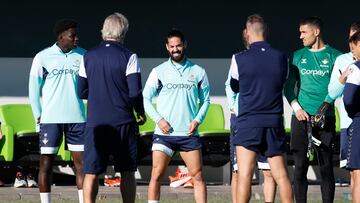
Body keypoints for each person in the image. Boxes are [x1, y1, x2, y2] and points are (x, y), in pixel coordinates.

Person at [78, 13, 146, 203]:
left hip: (95, 123)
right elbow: (134, 92)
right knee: (127, 171)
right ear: (123, 32)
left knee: (90, 172)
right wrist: (140, 112)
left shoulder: (87, 56)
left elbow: (81, 91)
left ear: (103, 31)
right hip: (122, 121)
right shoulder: (129, 56)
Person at [229, 14, 293, 203]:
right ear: (265, 31)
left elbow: (234, 86)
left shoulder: (238, 58)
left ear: (247, 32)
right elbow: (282, 82)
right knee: (281, 175)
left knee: (244, 175)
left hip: (249, 122)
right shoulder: (281, 57)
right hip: (273, 122)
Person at [143, 28, 210, 203]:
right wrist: (159, 120)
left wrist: (197, 120)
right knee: (156, 175)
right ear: (167, 47)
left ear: (185, 45)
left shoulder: (199, 71)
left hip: (188, 134)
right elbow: (145, 99)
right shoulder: (159, 71)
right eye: (172, 46)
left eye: (178, 45)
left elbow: (206, 101)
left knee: (198, 177)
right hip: (164, 134)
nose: (175, 49)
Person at [284, 16, 342, 203]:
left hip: (325, 119)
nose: (300, 36)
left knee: (326, 167)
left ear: (316, 32)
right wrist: (297, 108)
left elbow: (338, 87)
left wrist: (324, 108)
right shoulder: (297, 55)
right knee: (300, 166)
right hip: (300, 119)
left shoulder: (336, 56)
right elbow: (288, 86)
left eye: (304, 32)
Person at [29, 19, 86, 203]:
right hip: (50, 120)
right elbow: (33, 90)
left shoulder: (84, 56)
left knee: (82, 166)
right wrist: (38, 116)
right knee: (45, 165)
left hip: (78, 119)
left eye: (77, 34)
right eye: (73, 35)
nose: (76, 38)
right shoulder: (42, 57)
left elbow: (91, 88)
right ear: (61, 36)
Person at [225, 33, 277, 203]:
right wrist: (235, 108)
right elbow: (230, 86)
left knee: (269, 171)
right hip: (243, 121)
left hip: (264, 120)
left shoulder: (271, 59)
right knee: (239, 171)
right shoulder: (239, 60)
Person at [328, 21, 360, 188]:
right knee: (354, 174)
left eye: (354, 39)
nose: (351, 43)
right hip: (350, 126)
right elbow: (332, 93)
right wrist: (344, 76)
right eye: (349, 39)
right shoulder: (342, 60)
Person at [344, 30, 360, 203]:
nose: (352, 52)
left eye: (353, 48)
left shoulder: (356, 68)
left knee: (358, 173)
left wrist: (352, 112)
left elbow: (348, 98)